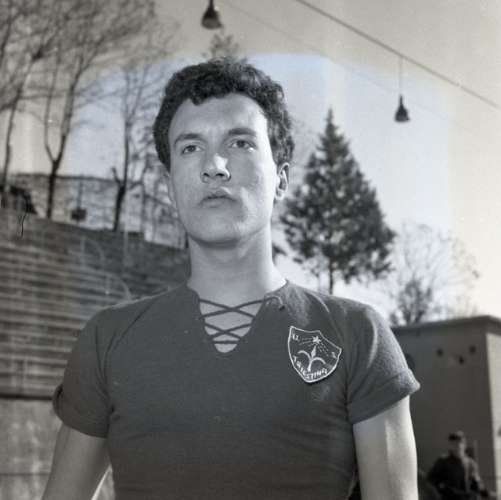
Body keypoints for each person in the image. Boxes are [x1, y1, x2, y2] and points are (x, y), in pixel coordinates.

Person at [42, 58, 420, 500]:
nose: (214, 165)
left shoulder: (358, 335)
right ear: (169, 185)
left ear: (281, 178)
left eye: (240, 143)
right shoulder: (107, 338)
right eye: (190, 147)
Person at [428, 431, 491, 500]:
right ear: (450, 446)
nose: (457, 446)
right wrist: (442, 487)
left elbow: (476, 481)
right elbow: (431, 479)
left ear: (465, 445)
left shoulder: (471, 463)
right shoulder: (443, 461)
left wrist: (483, 490)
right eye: (454, 443)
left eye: (460, 442)